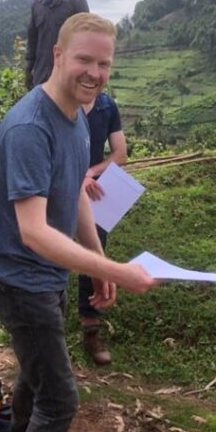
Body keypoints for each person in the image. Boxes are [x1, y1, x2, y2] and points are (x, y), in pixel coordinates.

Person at [0, 13, 156, 432]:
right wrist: (124, 272)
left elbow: (78, 192)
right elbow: (33, 231)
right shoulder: (29, 127)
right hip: (20, 277)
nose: (95, 72)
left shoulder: (79, 115)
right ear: (57, 55)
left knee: (37, 373)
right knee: (60, 399)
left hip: (47, 275)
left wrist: (99, 262)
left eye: (104, 63)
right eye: (84, 59)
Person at [78, 90, 128, 365]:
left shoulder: (107, 106)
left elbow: (120, 154)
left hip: (93, 191)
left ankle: (91, 329)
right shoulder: (61, 103)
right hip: (56, 188)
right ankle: (42, 326)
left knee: (94, 255)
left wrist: (90, 172)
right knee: (50, 252)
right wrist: (76, 176)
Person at [25, 0, 89, 89]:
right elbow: (32, 38)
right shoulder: (37, 4)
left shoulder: (75, 2)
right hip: (42, 76)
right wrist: (28, 69)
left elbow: (87, 37)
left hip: (68, 76)